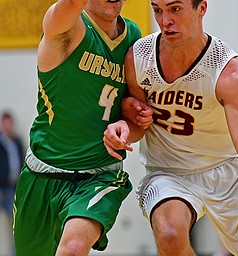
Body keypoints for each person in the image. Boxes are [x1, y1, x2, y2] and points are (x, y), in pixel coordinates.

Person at [103, 0, 238, 255]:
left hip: (228, 171)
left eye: (175, 9)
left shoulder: (228, 71)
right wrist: (124, 126)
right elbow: (138, 127)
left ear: (201, 8)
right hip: (169, 170)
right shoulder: (138, 58)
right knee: (170, 234)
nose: (165, 20)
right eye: (158, 10)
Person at [13, 0, 149, 255]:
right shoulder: (65, 26)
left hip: (99, 175)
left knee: (73, 248)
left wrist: (125, 127)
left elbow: (138, 120)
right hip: (41, 174)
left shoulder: (134, 38)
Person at [0, 111, 24, 256]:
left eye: (10, 123)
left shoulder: (17, 141)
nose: (9, 126)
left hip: (16, 187)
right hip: (5, 188)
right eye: (6, 123)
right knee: (15, 221)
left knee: (18, 220)